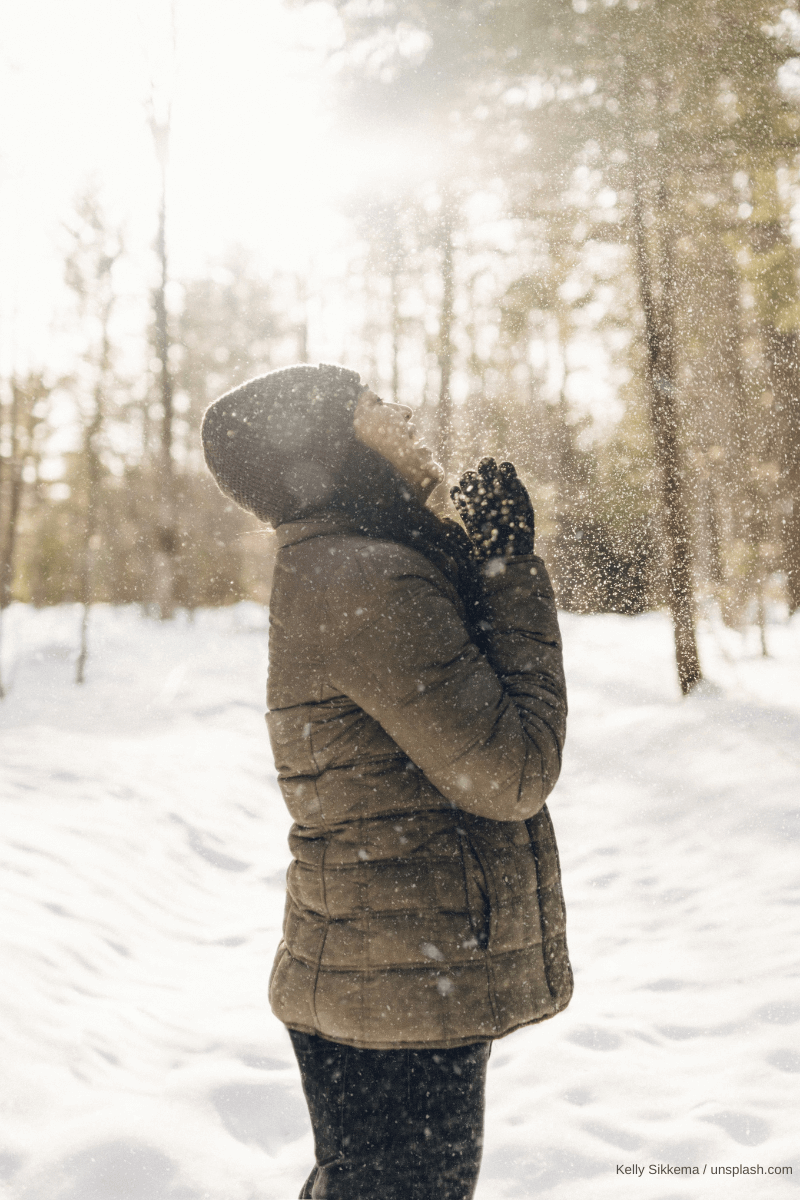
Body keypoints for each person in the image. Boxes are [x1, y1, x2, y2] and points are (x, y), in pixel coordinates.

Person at [201, 363, 572, 1200]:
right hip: (398, 988)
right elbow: (513, 771)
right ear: (331, 448)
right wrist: (512, 570)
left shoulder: (354, 562)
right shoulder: (365, 576)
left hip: (389, 974)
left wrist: (483, 564)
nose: (402, 411)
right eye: (371, 405)